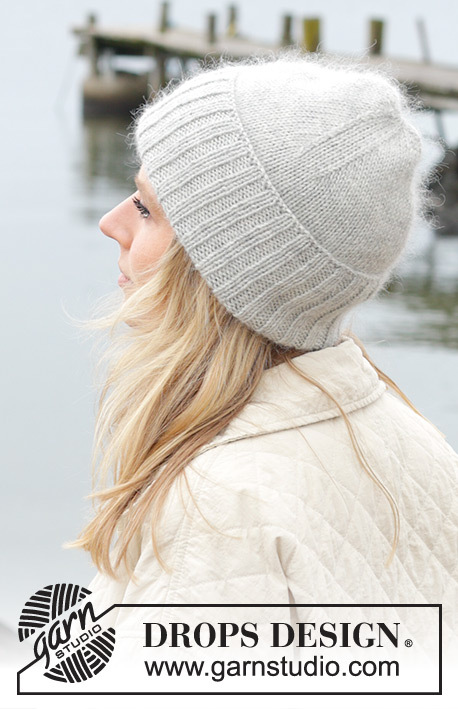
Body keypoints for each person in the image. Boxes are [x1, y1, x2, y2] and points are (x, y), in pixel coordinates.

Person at [68, 49, 457, 674]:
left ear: (224, 266)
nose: (111, 223)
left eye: (145, 208)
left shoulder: (219, 507)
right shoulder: (415, 440)